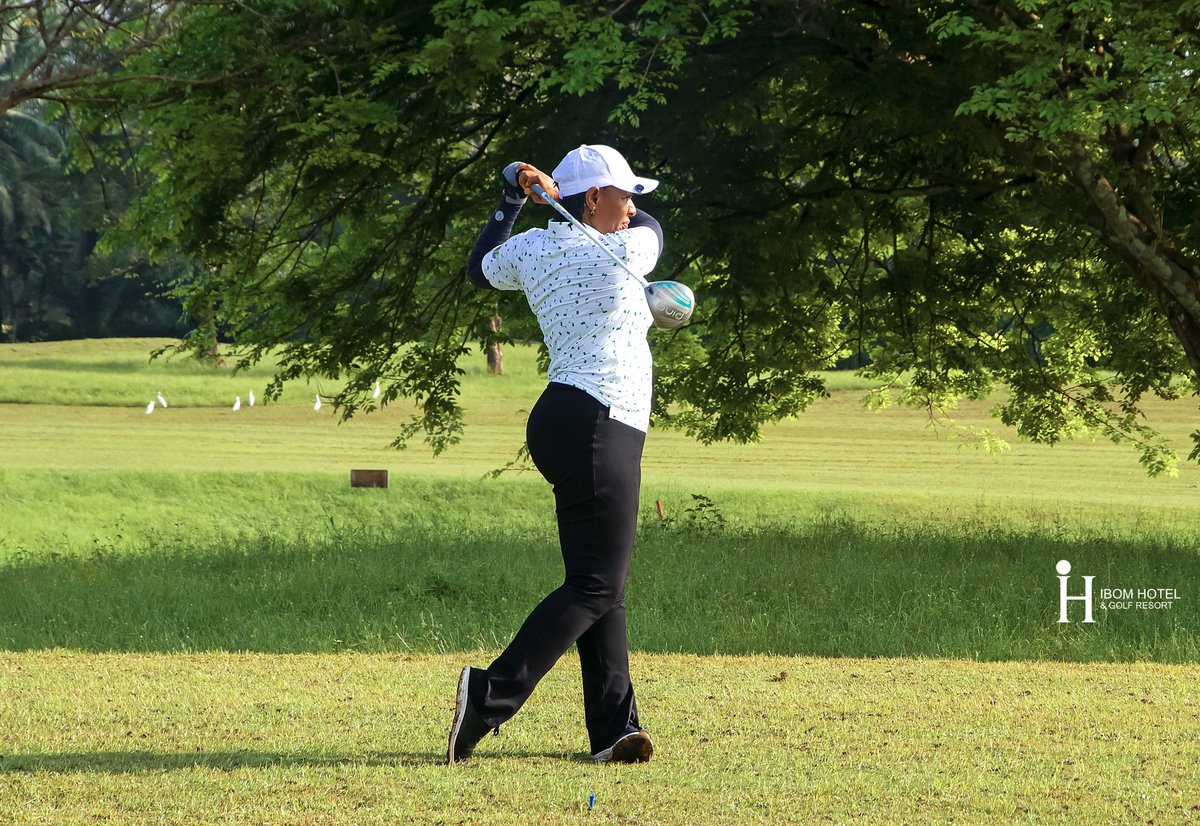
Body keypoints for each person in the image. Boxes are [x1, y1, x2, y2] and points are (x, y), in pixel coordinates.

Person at [448, 144, 664, 764]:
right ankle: (489, 694)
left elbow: (479, 268)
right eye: (623, 195)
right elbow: (655, 228)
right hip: (601, 422)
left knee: (601, 582)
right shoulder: (627, 250)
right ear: (592, 198)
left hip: (563, 419)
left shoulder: (533, 249)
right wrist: (555, 198)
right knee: (597, 584)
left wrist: (513, 195)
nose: (633, 208)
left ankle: (614, 731)